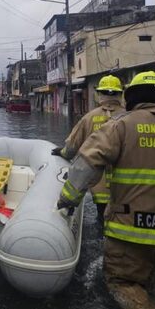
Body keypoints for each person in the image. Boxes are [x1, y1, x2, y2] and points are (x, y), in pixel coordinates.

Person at [56, 71, 155, 309]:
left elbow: (85, 164)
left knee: (124, 284)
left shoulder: (120, 125)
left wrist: (67, 200)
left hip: (129, 229)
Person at [52, 74, 124, 225]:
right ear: (120, 94)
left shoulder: (89, 118)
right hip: (126, 189)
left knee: (102, 221)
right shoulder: (130, 117)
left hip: (99, 188)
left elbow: (72, 148)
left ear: (99, 94)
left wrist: (61, 152)